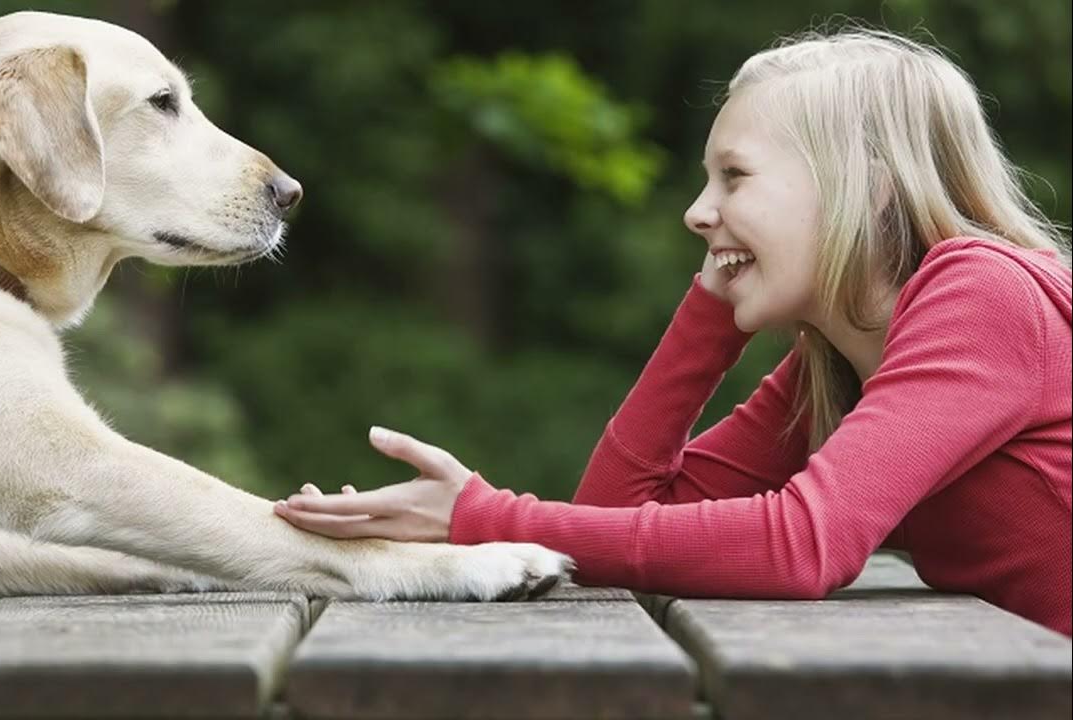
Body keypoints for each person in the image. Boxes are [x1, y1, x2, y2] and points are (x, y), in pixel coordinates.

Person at [273, 29, 1073, 637]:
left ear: (856, 184)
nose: (697, 210)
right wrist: (712, 313)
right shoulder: (836, 363)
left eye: (734, 176)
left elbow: (802, 545)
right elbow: (616, 517)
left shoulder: (983, 294)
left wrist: (481, 518)